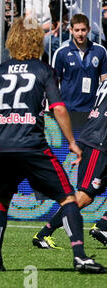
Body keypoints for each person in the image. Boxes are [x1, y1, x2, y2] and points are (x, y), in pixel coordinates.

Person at [0, 17, 105, 273]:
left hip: (3, 146)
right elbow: (58, 108)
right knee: (69, 199)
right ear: (37, 41)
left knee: (0, 200)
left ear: (11, 40)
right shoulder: (43, 70)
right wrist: (70, 141)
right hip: (33, 145)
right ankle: (80, 256)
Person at [33, 78, 107, 249]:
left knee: (86, 195)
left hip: (98, 139)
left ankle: (103, 227)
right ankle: (44, 233)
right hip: (98, 142)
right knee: (84, 196)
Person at [52, 14, 107, 113]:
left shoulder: (100, 51)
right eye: (77, 30)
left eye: (83, 30)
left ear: (89, 29)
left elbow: (105, 82)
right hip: (68, 109)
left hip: (93, 111)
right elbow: (53, 84)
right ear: (70, 30)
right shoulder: (61, 52)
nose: (80, 34)